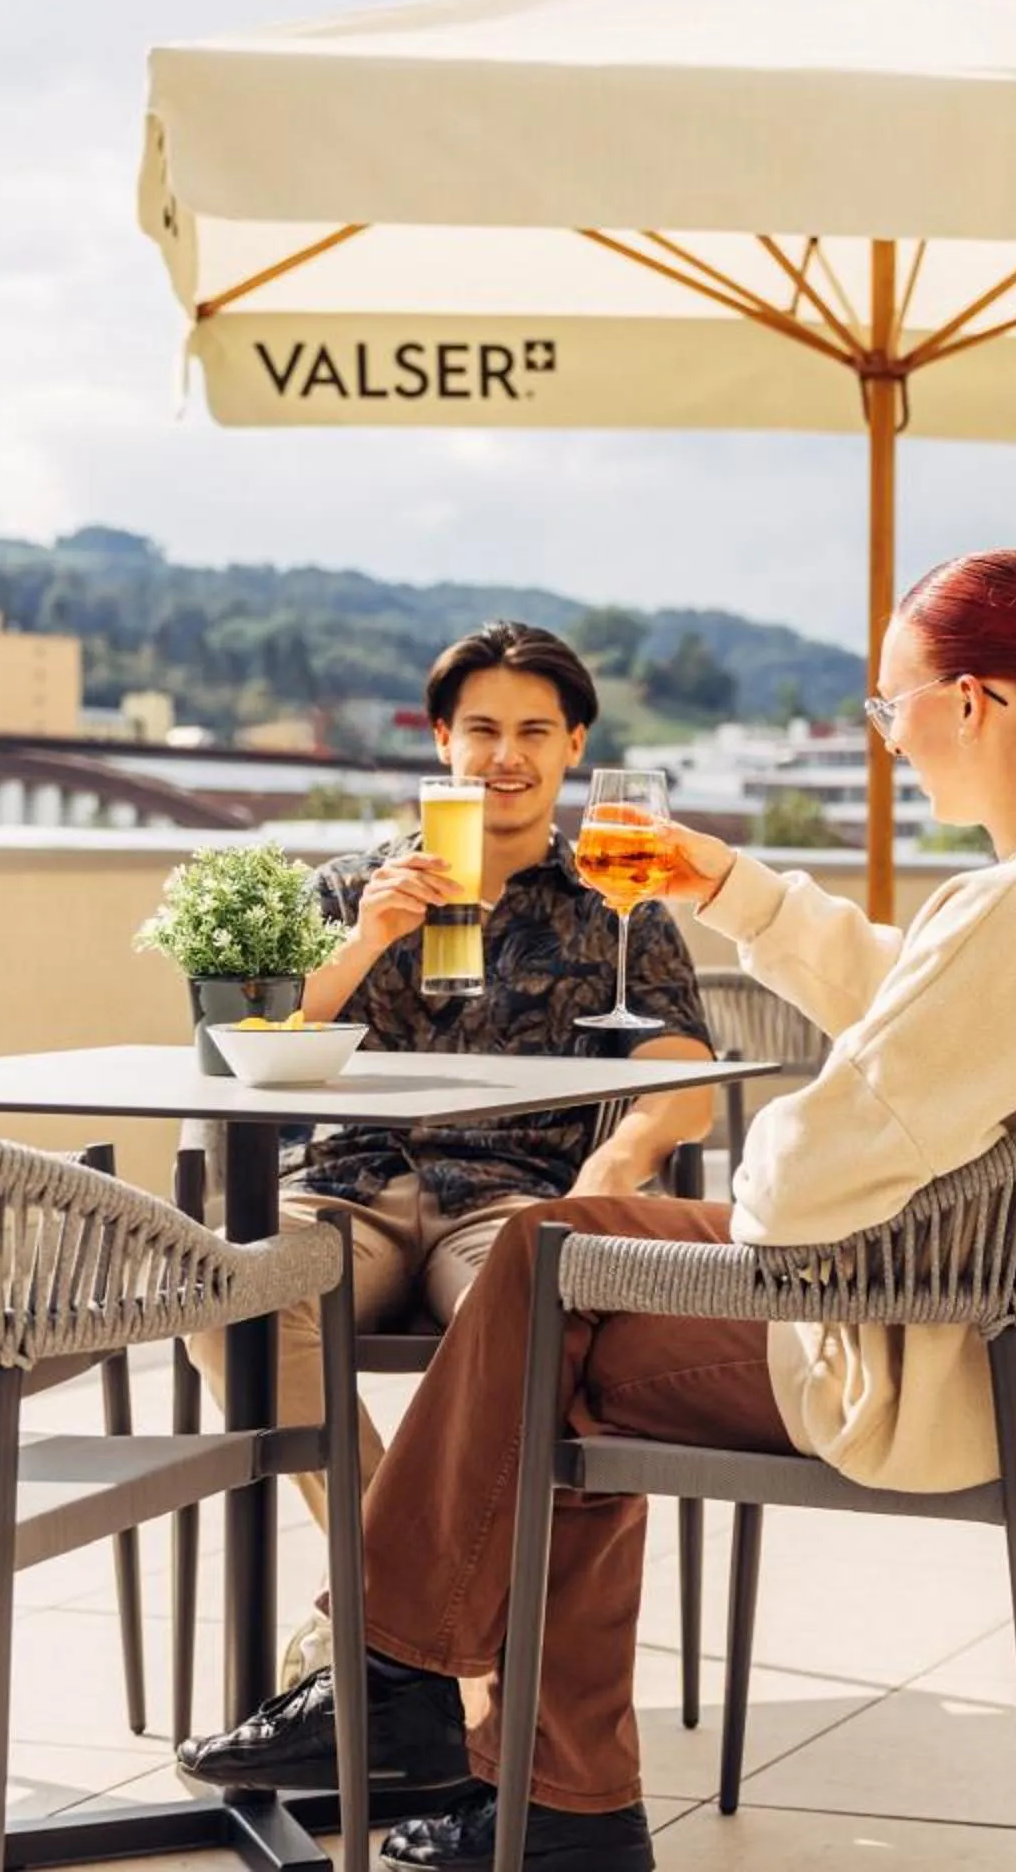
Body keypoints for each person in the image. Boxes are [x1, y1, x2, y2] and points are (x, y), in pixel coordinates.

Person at [177, 553, 1016, 1872]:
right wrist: (731, 883)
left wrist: (747, 1174)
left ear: (973, 702)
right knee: (562, 1277)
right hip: (1008, 1341)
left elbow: (815, 1176)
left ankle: (434, 1697)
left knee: (560, 1306)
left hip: (927, 1356)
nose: (889, 744)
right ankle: (503, 1758)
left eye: (889, 710)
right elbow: (926, 999)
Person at [188, 620, 715, 1686]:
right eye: (481, 729)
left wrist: (611, 1175)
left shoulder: (620, 901)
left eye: (533, 730)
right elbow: (244, 1055)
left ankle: (382, 1635)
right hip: (353, 1188)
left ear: (575, 746)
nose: (505, 755)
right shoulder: (349, 889)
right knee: (226, 1286)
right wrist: (367, 936)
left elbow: (685, 1081)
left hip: (512, 1198)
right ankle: (419, 1628)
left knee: (543, 1331)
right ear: (440, 741)